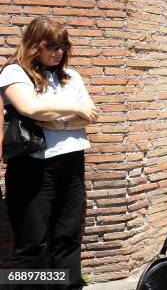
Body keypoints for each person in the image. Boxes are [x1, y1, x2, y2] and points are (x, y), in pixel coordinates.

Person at [0, 16, 98, 289]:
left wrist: (61, 120)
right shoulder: (15, 73)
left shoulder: (71, 76)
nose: (58, 51)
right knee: (33, 241)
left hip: (72, 163)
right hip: (34, 167)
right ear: (34, 45)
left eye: (63, 45)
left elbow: (91, 115)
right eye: (51, 45)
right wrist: (75, 109)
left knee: (67, 236)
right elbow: (30, 108)